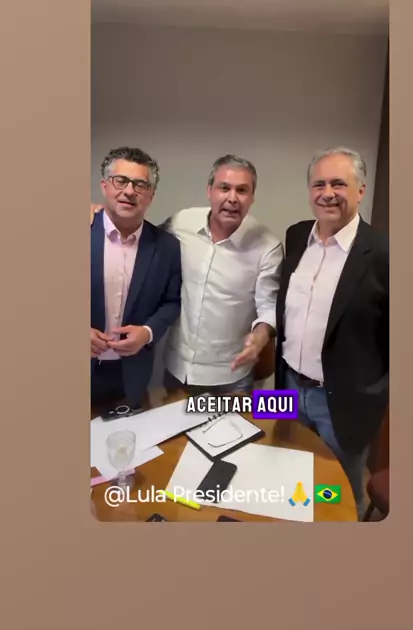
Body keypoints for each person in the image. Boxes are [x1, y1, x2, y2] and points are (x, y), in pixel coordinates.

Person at [91, 154, 283, 395]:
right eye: (224, 188)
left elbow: (269, 305)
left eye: (242, 190)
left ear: (252, 197)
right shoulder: (181, 222)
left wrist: (261, 336)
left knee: (235, 423)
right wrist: (99, 213)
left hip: (231, 374)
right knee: (177, 420)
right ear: (209, 191)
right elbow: (138, 240)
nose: (232, 198)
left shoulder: (267, 246)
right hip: (177, 370)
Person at [274, 147, 389, 518]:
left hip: (341, 402)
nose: (327, 193)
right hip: (288, 388)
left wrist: (375, 393)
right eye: (319, 184)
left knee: (337, 495)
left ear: (361, 190)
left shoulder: (384, 254)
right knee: (289, 476)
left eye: (339, 184)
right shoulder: (296, 236)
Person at [91, 146, 182, 409]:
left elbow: (172, 301)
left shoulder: (167, 246)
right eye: (120, 181)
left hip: (132, 375)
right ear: (105, 186)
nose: (129, 191)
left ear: (150, 195)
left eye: (140, 185)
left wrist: (148, 332)